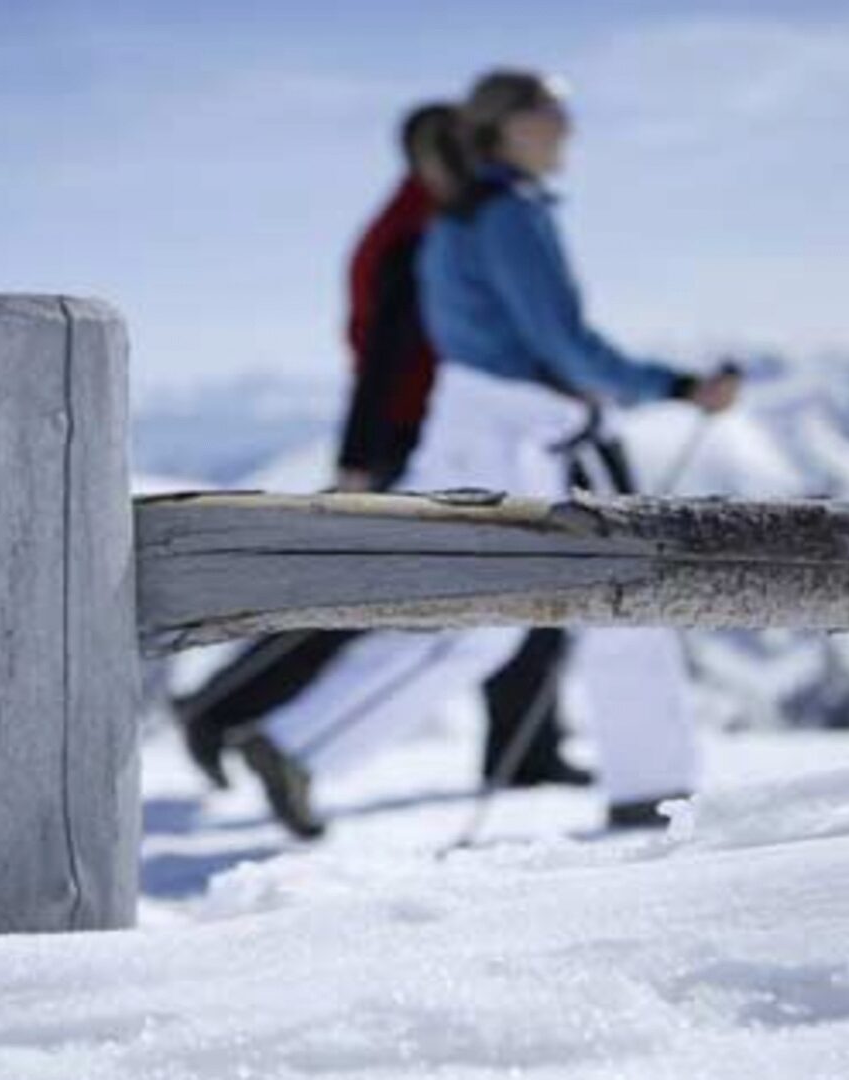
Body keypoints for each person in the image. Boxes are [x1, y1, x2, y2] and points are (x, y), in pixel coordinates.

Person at [237, 69, 740, 840]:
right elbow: (565, 346)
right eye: (556, 112)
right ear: (511, 125)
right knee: (626, 603)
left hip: (476, 424)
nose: (569, 127)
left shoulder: (462, 216)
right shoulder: (507, 215)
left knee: (479, 626)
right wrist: (676, 385)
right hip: (523, 431)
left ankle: (300, 743)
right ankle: (656, 791)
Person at [174, 101, 590, 798]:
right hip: (423, 439)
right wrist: (359, 457)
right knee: (368, 595)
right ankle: (218, 710)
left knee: (528, 581)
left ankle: (527, 750)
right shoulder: (421, 232)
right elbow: (384, 356)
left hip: (460, 432)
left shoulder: (433, 223)